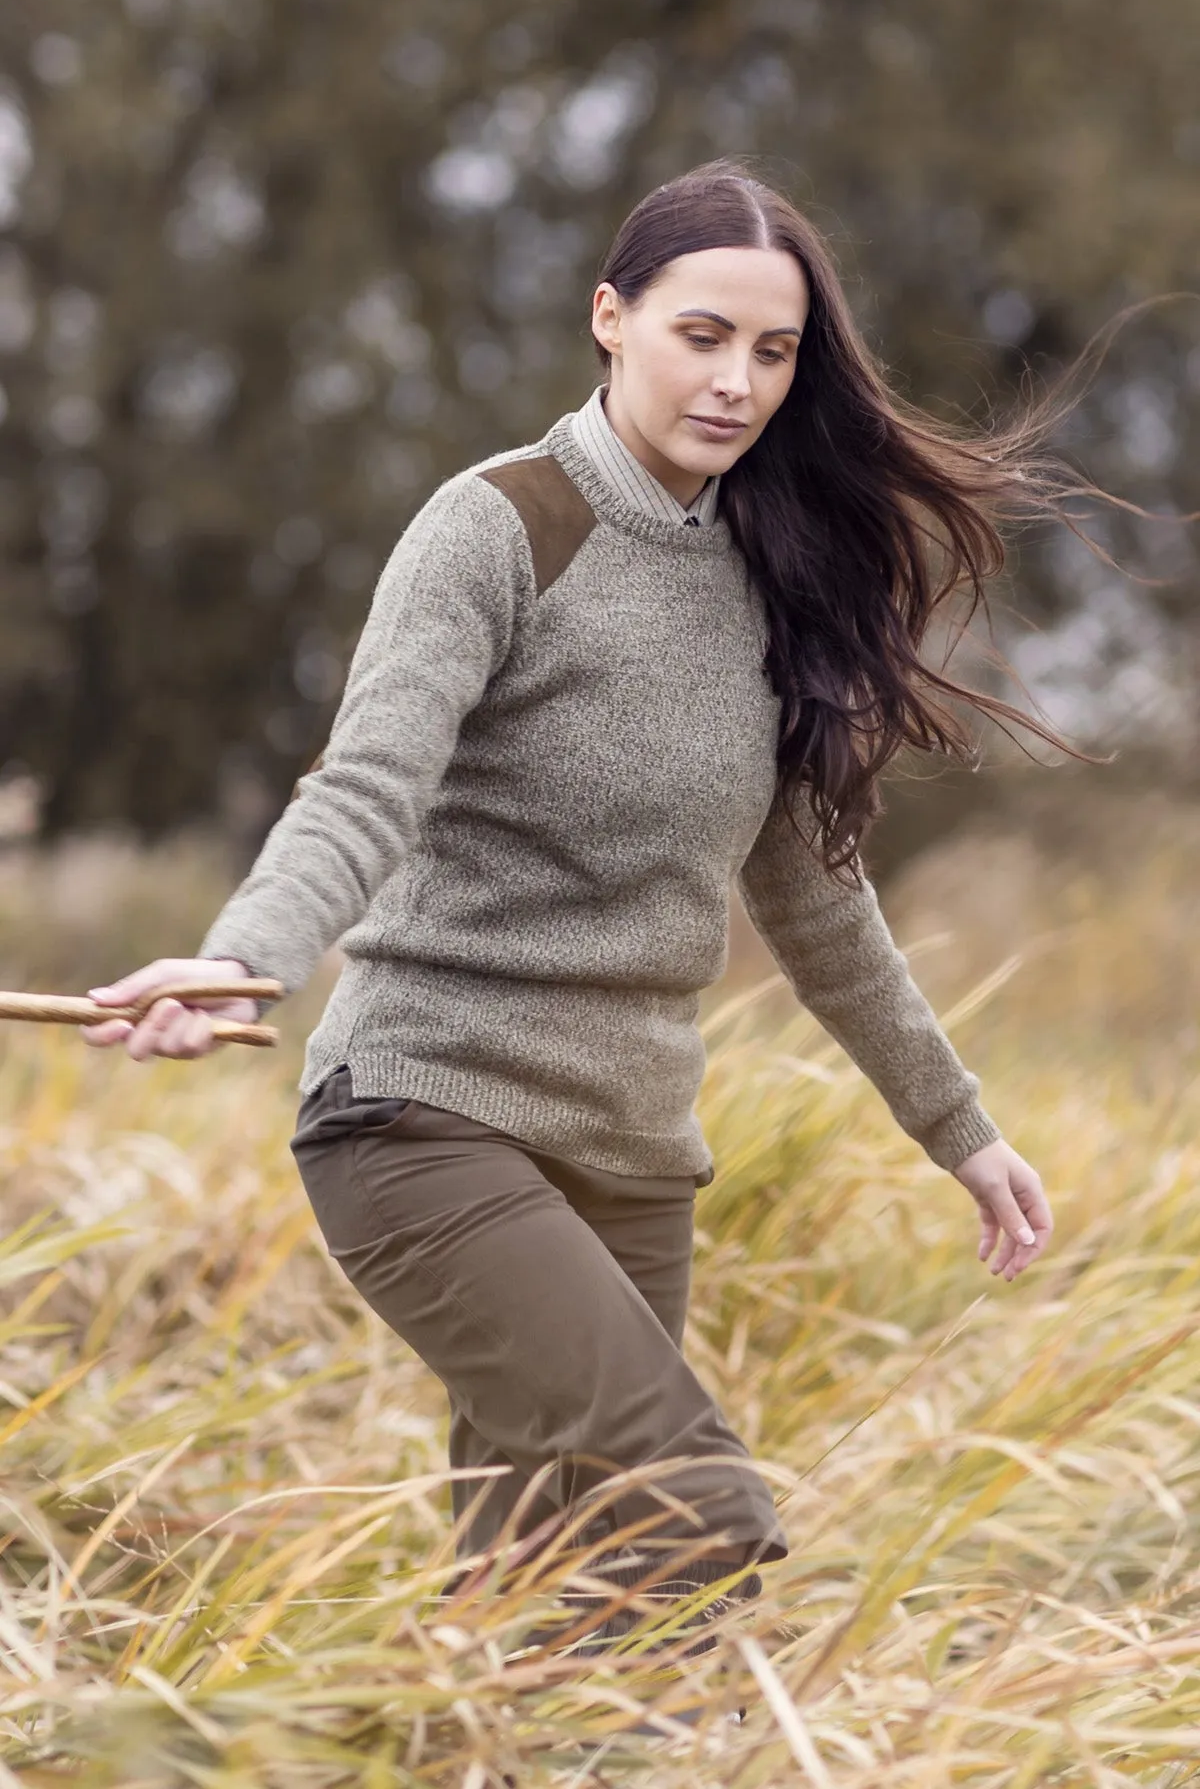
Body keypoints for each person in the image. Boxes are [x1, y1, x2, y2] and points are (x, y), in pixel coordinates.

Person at [84, 158, 1071, 1655]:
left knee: (567, 1636)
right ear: (610, 318)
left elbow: (821, 909)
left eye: (772, 350)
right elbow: (365, 789)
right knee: (695, 1516)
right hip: (424, 1119)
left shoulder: (772, 576)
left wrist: (963, 1129)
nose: (736, 381)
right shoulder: (496, 528)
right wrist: (243, 960)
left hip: (630, 1166)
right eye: (701, 334)